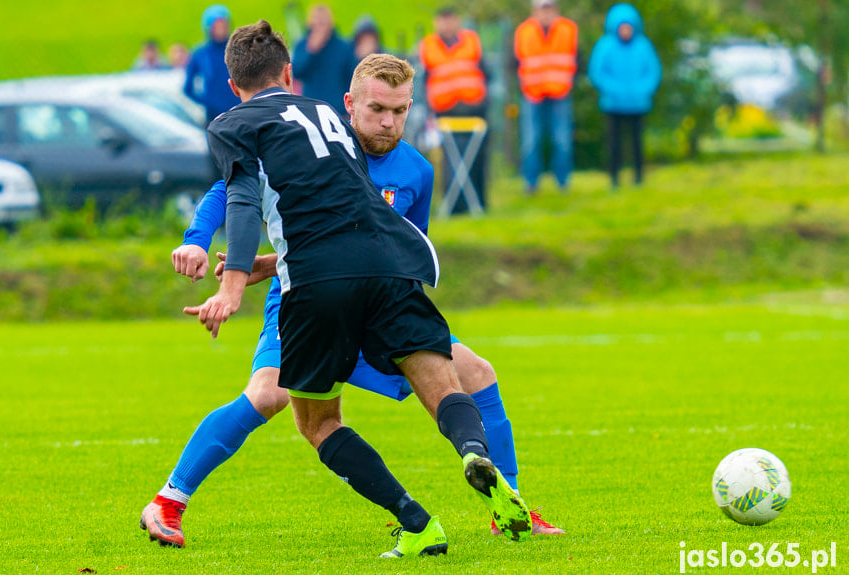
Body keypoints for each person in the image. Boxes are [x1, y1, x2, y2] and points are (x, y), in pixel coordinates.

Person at [139, 53, 563, 550]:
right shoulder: (316, 141)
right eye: (377, 109)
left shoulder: (417, 172)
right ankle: (171, 499)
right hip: (303, 297)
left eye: (400, 111)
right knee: (268, 395)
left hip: (378, 297)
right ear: (349, 105)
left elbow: (394, 246)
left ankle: (508, 504)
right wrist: (201, 239)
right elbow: (232, 188)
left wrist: (264, 262)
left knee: (477, 372)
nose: (388, 122)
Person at [419, 6, 489, 214]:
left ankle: (477, 203)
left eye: (450, 19)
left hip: (473, 109)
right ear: (436, 23)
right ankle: (455, 206)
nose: (447, 24)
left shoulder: (472, 41)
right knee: (450, 159)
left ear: (457, 21)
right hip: (445, 111)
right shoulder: (428, 46)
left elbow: (485, 73)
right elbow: (424, 80)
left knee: (476, 158)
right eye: (443, 20)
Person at [587, 3, 662, 188]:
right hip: (613, 103)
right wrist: (615, 90)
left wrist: (641, 90)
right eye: (623, 27)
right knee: (614, 143)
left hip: (638, 103)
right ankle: (614, 177)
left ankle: (638, 177)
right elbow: (597, 72)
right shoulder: (605, 46)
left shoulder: (643, 46)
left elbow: (653, 72)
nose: (626, 31)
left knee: (637, 142)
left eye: (629, 27)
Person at [513, 0, 578, 194]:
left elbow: (576, 58)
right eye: (543, 9)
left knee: (562, 140)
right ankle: (530, 183)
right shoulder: (523, 31)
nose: (546, 13)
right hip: (532, 94)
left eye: (549, 9)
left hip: (560, 92)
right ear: (534, 11)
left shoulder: (568, 29)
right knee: (531, 141)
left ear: (556, 10)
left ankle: (563, 182)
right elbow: (515, 61)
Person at [291, 4, 355, 120]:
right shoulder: (302, 45)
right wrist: (311, 51)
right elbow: (297, 72)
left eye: (323, 22)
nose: (320, 28)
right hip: (311, 110)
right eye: (317, 23)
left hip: (338, 111)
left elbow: (351, 78)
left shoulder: (343, 47)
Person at [183, 4, 241, 124]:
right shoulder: (201, 54)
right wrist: (208, 102)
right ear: (209, 28)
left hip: (240, 111)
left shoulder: (238, 49)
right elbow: (187, 88)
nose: (221, 29)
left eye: (224, 25)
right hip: (215, 116)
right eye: (217, 26)